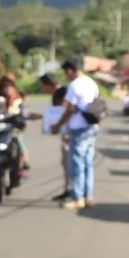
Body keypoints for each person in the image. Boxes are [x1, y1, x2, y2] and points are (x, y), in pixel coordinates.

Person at [50, 57, 101, 210]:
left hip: (79, 128)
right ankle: (88, 195)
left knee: (77, 163)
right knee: (88, 162)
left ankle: (78, 197)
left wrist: (58, 125)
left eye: (66, 72)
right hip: (92, 126)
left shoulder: (74, 85)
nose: (67, 76)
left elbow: (70, 109)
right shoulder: (91, 83)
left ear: (71, 70)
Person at [37, 73, 74, 201]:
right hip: (67, 132)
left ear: (49, 84)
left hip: (70, 132)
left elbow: (64, 113)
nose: (42, 89)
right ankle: (68, 188)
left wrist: (57, 125)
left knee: (69, 162)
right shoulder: (60, 93)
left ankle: (71, 190)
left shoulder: (62, 93)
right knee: (65, 162)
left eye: (43, 86)